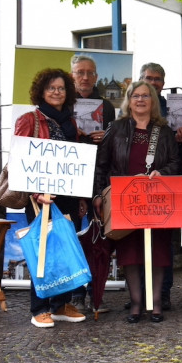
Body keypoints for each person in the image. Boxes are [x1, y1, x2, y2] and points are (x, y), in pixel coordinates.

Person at [93, 81, 180, 323]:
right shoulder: (116, 128)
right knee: (130, 252)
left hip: (156, 199)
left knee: (158, 251)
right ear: (128, 101)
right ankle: (136, 303)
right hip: (125, 199)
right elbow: (102, 164)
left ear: (153, 101)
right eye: (135, 96)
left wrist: (162, 172)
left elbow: (175, 161)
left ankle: (155, 304)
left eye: (145, 96)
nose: (140, 100)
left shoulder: (163, 131)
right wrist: (98, 194)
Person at [17, 68, 88, 328]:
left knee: (66, 248)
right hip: (41, 198)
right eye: (52, 88)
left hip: (68, 195)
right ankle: (39, 309)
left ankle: (60, 305)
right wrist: (36, 193)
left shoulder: (71, 121)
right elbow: (20, 160)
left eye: (61, 88)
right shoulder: (30, 119)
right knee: (43, 252)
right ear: (42, 92)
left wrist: (81, 197)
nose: (57, 92)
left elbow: (75, 162)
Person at [70, 54, 117, 312]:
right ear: (72, 75)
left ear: (96, 76)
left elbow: (114, 144)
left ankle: (94, 293)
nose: (85, 77)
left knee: (97, 237)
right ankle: (74, 294)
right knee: (74, 235)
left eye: (90, 72)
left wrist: (104, 138)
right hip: (72, 179)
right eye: (80, 72)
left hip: (97, 178)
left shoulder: (106, 106)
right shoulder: (64, 104)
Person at [139, 62, 176, 310]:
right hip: (137, 185)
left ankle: (163, 294)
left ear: (163, 83)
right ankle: (140, 295)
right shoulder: (133, 104)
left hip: (165, 181)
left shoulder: (174, 106)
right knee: (137, 243)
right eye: (148, 79)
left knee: (163, 242)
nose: (153, 84)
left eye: (157, 79)